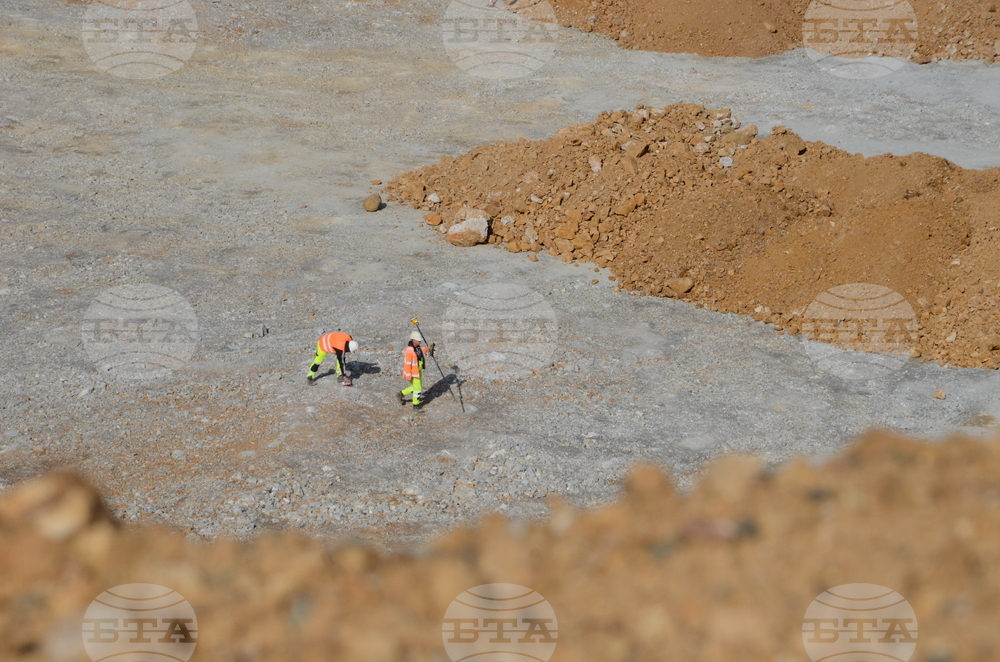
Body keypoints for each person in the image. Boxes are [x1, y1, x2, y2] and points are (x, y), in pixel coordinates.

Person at [399, 330, 434, 409]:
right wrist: (408, 375)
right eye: (419, 341)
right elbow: (407, 364)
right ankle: (416, 405)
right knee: (418, 389)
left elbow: (420, 352)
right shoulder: (409, 351)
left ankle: (401, 394)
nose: (420, 342)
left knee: (415, 387)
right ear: (414, 340)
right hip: (414, 373)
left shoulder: (416, 348)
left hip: (418, 371)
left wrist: (427, 349)